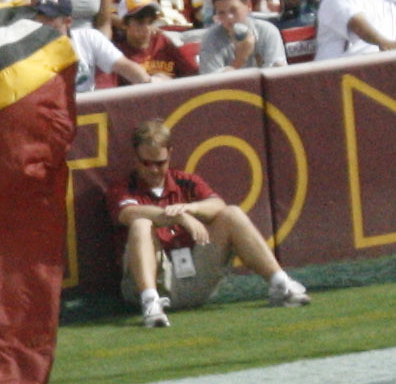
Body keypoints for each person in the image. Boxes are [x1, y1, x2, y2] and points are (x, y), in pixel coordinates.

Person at [113, 118, 309, 328]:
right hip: (156, 280)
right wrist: (178, 217)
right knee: (141, 224)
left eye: (159, 163)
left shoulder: (185, 181)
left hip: (195, 274)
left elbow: (217, 204)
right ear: (136, 158)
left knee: (232, 214)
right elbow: (128, 213)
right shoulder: (123, 188)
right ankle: (150, 303)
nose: (153, 170)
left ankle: (280, 284)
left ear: (170, 154)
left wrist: (191, 209)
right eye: (146, 163)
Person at [34, 0, 150, 93]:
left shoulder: (89, 38)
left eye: (49, 18)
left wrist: (148, 84)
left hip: (86, 105)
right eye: (39, 17)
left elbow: (125, 66)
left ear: (68, 22)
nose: (42, 23)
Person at [197, 0, 289, 69]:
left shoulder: (267, 32)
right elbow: (213, 78)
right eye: (221, 13)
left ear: (248, 6)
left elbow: (277, 73)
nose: (229, 18)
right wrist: (241, 58)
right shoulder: (211, 40)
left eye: (233, 10)